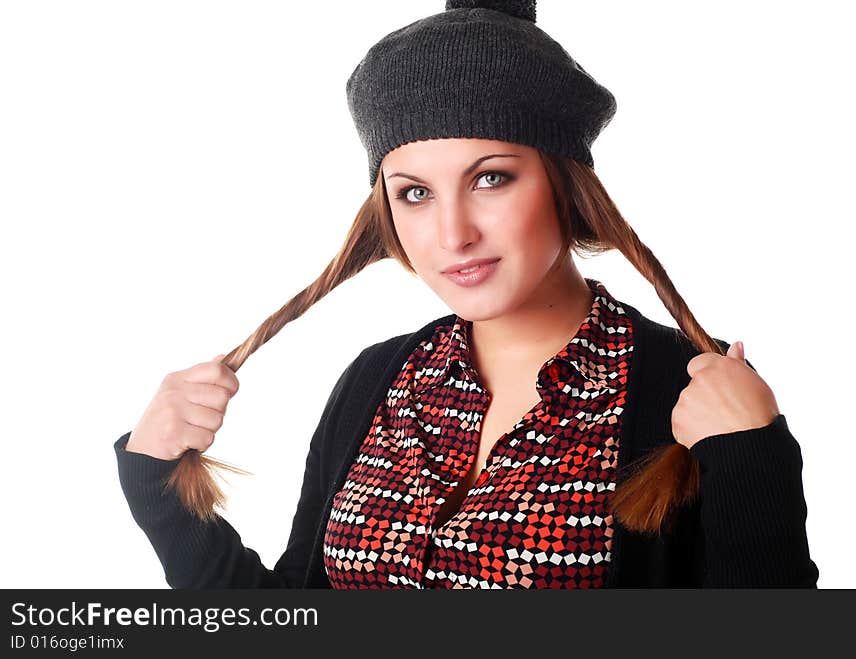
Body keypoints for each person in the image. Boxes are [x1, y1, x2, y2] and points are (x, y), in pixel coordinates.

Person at [114, 0, 819, 588]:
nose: (452, 234)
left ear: (564, 185)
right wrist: (158, 485)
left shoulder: (686, 396)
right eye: (415, 193)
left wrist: (752, 457)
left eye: (491, 177)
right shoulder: (374, 381)